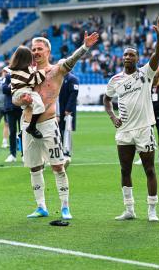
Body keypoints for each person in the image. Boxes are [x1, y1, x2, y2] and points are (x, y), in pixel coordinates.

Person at [16, 32, 99, 220]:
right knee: (34, 167)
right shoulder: (25, 73)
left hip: (48, 124)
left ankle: (65, 207)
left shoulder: (57, 70)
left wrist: (84, 47)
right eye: (33, 49)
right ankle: (41, 206)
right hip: (27, 123)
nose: (36, 52)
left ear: (48, 51)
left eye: (39, 49)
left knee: (58, 166)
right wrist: (22, 100)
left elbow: (71, 61)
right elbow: (16, 99)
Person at [104, 16, 159, 222]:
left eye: (131, 55)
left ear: (138, 59)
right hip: (124, 131)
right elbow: (106, 99)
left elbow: (157, 55)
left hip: (143, 129)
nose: (127, 57)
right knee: (125, 169)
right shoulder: (115, 80)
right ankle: (129, 209)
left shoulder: (145, 74)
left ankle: (152, 210)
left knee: (149, 169)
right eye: (125, 55)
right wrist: (112, 115)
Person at [8, 46, 48, 139]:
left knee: (26, 109)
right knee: (40, 106)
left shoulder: (13, 70)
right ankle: (32, 127)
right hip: (25, 91)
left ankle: (22, 131)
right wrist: (43, 71)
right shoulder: (26, 70)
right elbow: (35, 80)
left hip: (16, 94)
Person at [58, 71, 79, 162]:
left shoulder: (72, 79)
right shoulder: (59, 78)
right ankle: (60, 151)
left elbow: (73, 95)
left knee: (67, 131)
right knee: (59, 131)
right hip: (59, 110)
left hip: (67, 111)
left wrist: (68, 109)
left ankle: (67, 152)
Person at [2, 71, 22, 163]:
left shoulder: (23, 75)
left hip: (22, 107)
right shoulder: (8, 76)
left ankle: (24, 154)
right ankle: (12, 154)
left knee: (23, 132)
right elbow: (4, 89)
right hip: (10, 108)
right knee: (12, 132)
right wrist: (12, 86)